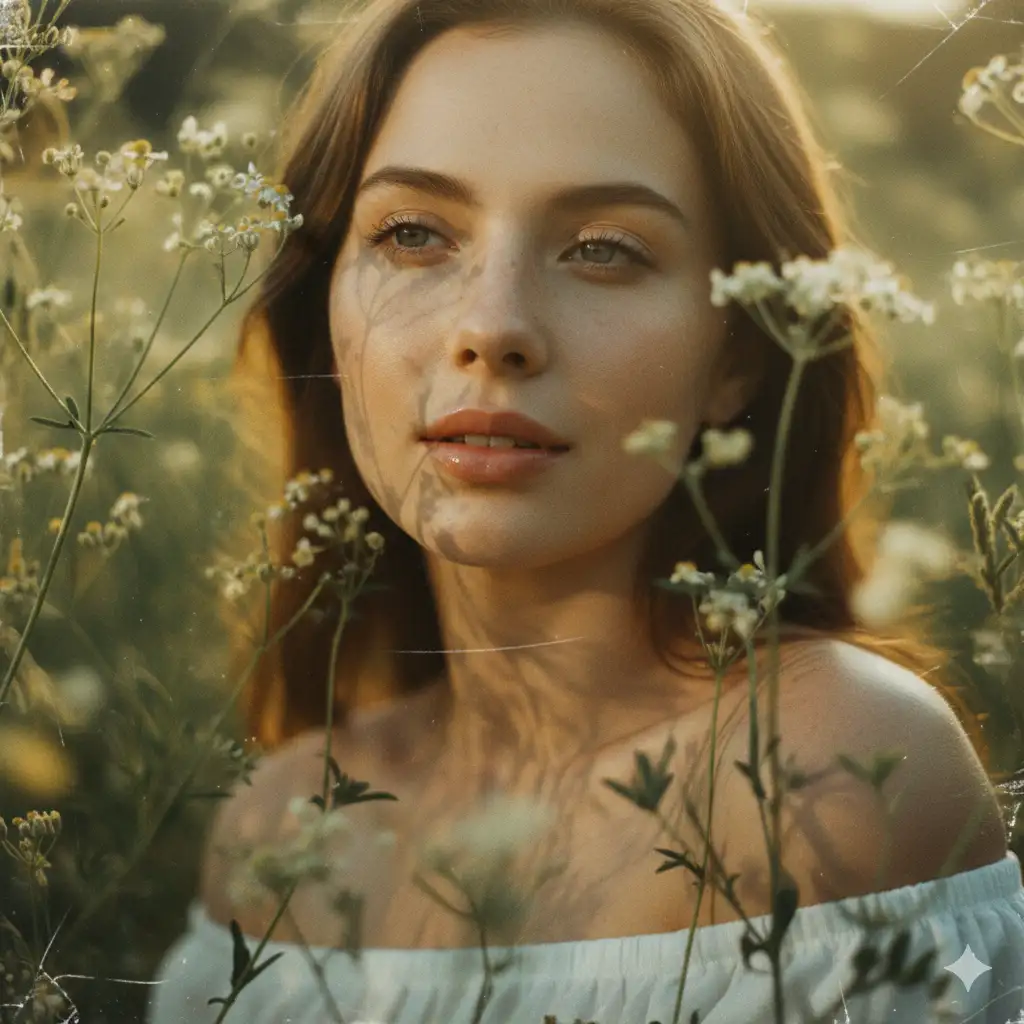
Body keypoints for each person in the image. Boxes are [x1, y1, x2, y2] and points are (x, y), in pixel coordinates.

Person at [147, 0, 1024, 1021]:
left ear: (739, 352)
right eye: (414, 233)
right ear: (324, 308)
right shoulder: (283, 827)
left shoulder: (821, 770)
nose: (493, 326)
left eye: (603, 248)